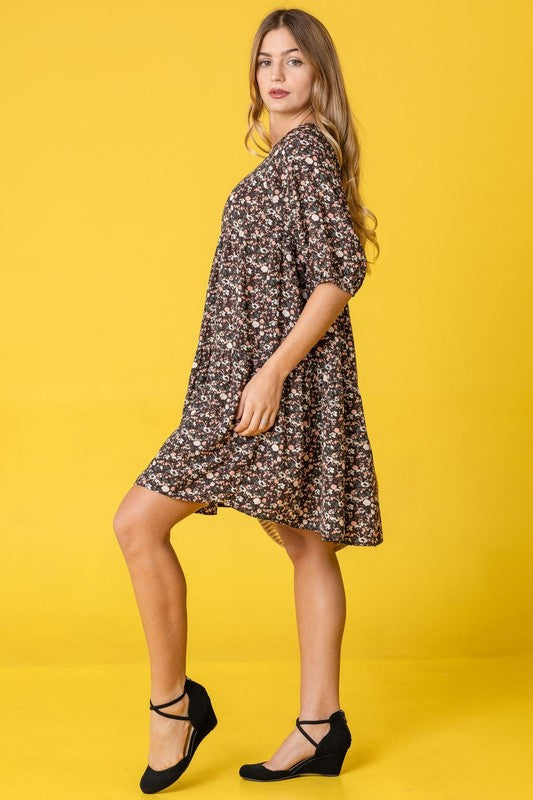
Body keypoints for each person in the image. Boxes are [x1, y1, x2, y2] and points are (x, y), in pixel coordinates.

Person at [113, 7, 383, 793]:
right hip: (246, 383)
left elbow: (337, 277)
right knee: (302, 542)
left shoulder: (303, 159)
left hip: (268, 385)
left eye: (294, 61)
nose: (275, 73)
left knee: (139, 523)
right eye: (265, 60)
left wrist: (267, 375)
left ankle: (175, 709)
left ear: (319, 77)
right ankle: (319, 724)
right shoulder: (284, 164)